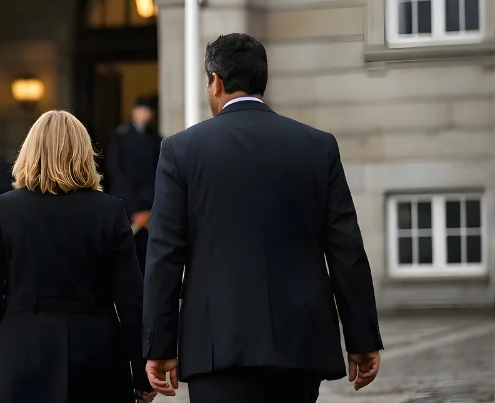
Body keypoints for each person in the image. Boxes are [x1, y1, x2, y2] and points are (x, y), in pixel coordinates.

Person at [142, 33, 382, 403]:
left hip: (216, 346)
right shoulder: (317, 146)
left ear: (216, 82)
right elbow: (346, 250)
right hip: (299, 343)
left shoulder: (181, 150)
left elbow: (165, 255)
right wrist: (362, 338)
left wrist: (159, 345)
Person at [0, 110, 153, 403]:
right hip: (97, 353)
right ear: (84, 153)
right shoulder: (109, 210)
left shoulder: (5, 209)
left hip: (22, 351)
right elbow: (131, 299)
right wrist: (142, 373)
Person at [105, 96, 162, 272]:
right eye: (141, 110)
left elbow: (159, 174)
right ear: (134, 112)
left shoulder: (156, 139)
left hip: (149, 208)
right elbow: (115, 171)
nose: (145, 114)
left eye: (148, 110)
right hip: (126, 205)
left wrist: (149, 209)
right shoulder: (119, 137)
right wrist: (134, 209)